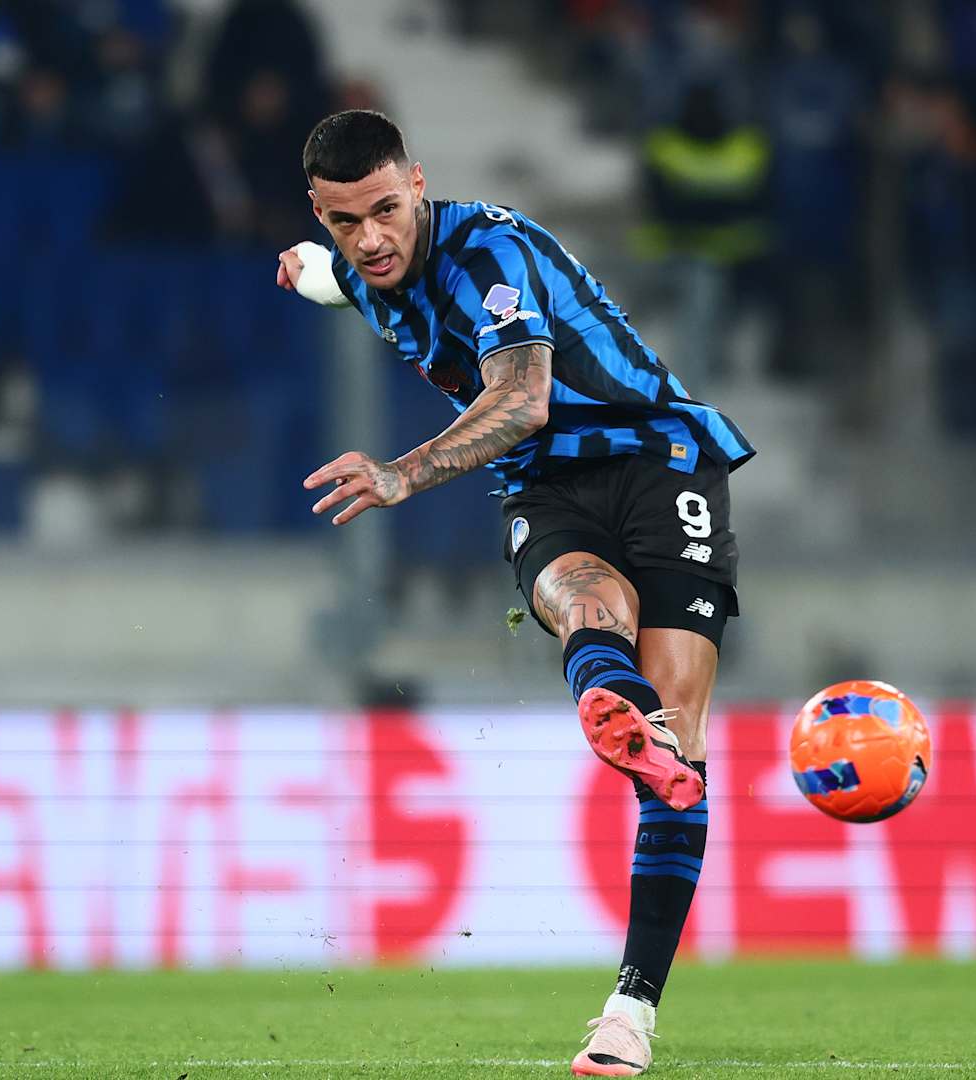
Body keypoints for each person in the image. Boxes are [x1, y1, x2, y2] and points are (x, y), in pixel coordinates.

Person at [276, 109, 754, 1077]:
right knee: (581, 603)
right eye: (343, 221)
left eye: (384, 210)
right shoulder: (362, 268)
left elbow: (525, 396)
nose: (370, 238)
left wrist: (402, 474)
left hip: (656, 458)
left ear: (419, 183)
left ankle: (631, 1006)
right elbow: (330, 275)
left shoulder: (487, 255)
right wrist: (308, 267)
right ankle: (614, 705)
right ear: (323, 214)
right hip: (546, 490)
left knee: (679, 736)